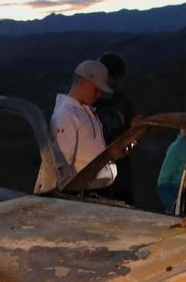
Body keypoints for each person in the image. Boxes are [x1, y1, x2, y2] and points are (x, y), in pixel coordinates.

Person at [51, 59, 117, 189]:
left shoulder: (84, 110)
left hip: (95, 189)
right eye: (96, 89)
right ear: (83, 83)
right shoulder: (66, 114)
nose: (99, 95)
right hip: (81, 194)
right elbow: (63, 164)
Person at [93, 52, 137, 203]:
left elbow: (132, 128)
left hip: (121, 172)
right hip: (94, 172)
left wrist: (132, 139)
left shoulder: (122, 100)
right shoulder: (88, 99)